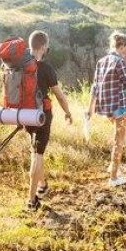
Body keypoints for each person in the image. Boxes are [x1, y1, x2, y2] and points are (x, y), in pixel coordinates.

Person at [26, 30, 73, 210]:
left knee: (37, 148)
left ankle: (42, 184)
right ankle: (32, 200)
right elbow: (59, 96)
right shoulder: (45, 68)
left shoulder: (22, 65)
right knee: (37, 154)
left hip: (24, 115)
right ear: (44, 47)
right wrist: (68, 112)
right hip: (41, 116)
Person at [87, 31, 126, 187]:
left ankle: (113, 167)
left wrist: (90, 108)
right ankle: (114, 177)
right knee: (119, 140)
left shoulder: (102, 61)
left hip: (107, 106)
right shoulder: (120, 61)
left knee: (117, 137)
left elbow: (94, 86)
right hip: (119, 105)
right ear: (121, 47)